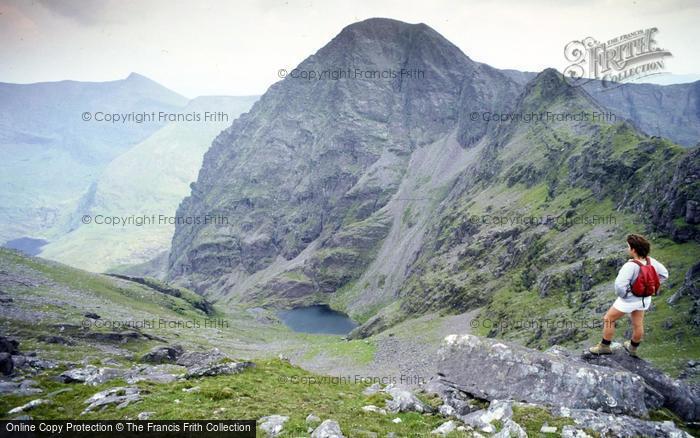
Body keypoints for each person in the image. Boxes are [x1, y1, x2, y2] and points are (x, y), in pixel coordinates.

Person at [589, 234, 668, 357]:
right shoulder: (651, 261)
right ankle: (632, 348)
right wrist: (649, 287)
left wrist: (627, 294)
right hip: (645, 299)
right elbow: (664, 275)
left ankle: (604, 346)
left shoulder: (630, 266)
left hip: (629, 300)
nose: (627, 249)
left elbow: (620, 286)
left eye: (628, 247)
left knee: (609, 319)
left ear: (633, 249)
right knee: (638, 323)